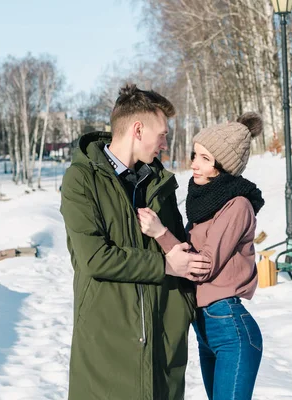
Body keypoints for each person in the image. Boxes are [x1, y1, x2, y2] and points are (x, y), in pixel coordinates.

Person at [60, 84, 209, 400]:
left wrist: (180, 310)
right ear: (138, 130)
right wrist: (166, 265)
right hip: (107, 347)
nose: (165, 145)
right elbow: (95, 258)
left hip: (162, 342)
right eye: (162, 135)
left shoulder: (159, 182)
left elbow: (178, 246)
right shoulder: (81, 179)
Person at [138, 112, 266, 400]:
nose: (194, 163)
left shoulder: (236, 205)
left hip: (230, 329)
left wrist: (160, 233)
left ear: (222, 165)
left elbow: (202, 267)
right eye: (195, 155)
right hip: (206, 329)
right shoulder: (205, 202)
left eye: (204, 158)